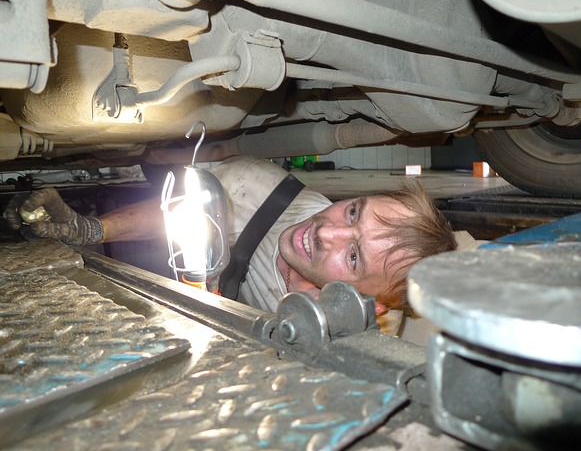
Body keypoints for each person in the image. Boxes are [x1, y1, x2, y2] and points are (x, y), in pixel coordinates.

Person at [4, 156, 456, 332]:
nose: (327, 231)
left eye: (353, 255)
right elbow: (186, 210)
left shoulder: (333, 340)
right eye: (353, 212)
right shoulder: (259, 190)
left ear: (372, 303)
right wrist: (86, 231)